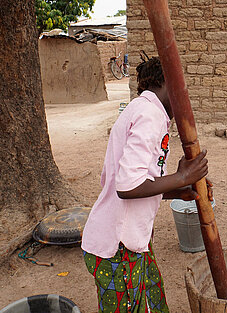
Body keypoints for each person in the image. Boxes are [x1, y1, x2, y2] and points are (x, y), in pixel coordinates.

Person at [81, 56, 210, 313]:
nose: (185, 97)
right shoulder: (149, 115)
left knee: (152, 300)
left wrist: (177, 190)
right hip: (117, 249)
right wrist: (183, 177)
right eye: (182, 88)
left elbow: (142, 182)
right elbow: (127, 186)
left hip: (132, 242)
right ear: (167, 84)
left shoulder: (145, 111)